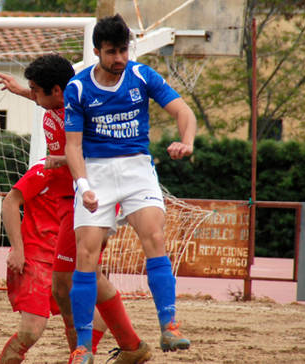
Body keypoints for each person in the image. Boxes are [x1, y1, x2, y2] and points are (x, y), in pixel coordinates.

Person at [0, 54, 151, 364]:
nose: (33, 96)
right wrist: (21, 91)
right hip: (74, 203)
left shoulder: (86, 109)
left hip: (93, 198)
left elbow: (102, 153)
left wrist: (62, 160)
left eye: (35, 90)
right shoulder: (58, 102)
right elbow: (50, 101)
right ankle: (114, 348)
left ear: (55, 90)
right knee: (72, 283)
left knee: (71, 282)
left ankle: (103, 350)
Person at [64, 15, 197, 362]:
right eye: (112, 52)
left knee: (154, 236)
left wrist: (187, 141)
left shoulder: (141, 75)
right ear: (97, 51)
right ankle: (81, 346)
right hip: (96, 173)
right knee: (87, 255)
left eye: (123, 50)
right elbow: (73, 147)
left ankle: (170, 326)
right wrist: (83, 186)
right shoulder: (77, 88)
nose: (119, 58)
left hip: (138, 168)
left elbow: (184, 111)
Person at [0, 158, 61, 363]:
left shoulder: (94, 173)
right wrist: (17, 248)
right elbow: (9, 202)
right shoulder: (45, 169)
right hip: (37, 259)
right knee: (32, 330)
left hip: (68, 261)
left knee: (96, 319)